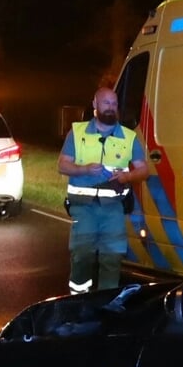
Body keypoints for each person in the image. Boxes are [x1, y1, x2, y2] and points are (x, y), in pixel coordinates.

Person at [58, 84, 149, 294]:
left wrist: (127, 176)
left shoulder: (128, 137)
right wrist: (84, 170)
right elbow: (62, 164)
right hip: (84, 207)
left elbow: (143, 170)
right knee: (82, 255)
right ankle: (79, 301)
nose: (111, 107)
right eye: (106, 102)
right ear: (95, 105)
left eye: (114, 103)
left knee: (112, 258)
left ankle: (105, 304)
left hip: (113, 208)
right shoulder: (77, 132)